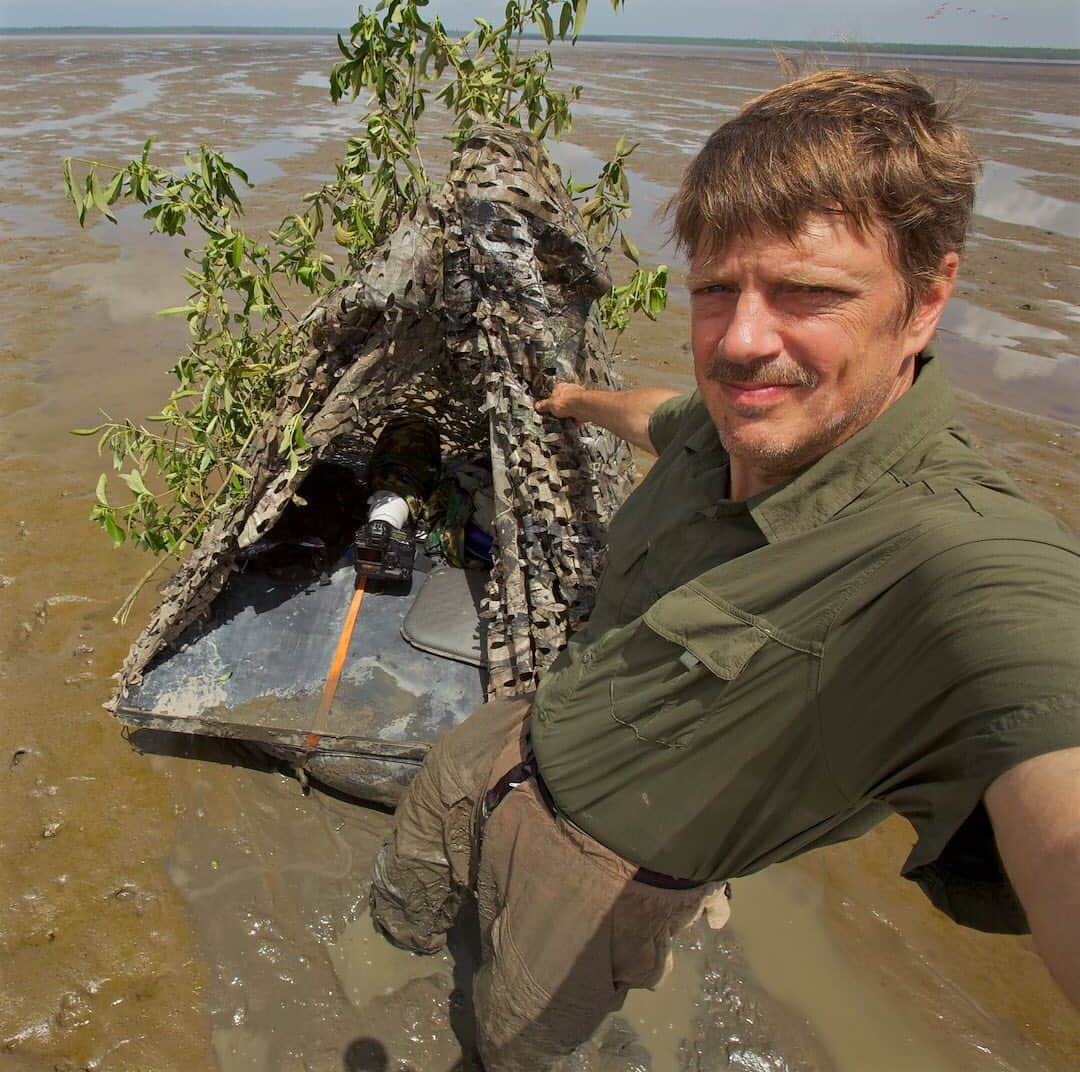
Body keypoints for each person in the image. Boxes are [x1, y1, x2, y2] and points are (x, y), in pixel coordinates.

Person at [370, 69, 1080, 1068]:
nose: (744, 341)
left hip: (601, 884)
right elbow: (662, 416)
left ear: (926, 303)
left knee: (506, 1037)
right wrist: (572, 398)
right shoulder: (728, 429)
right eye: (716, 290)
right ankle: (399, 938)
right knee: (403, 892)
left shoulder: (953, 558)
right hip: (517, 725)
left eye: (808, 292)